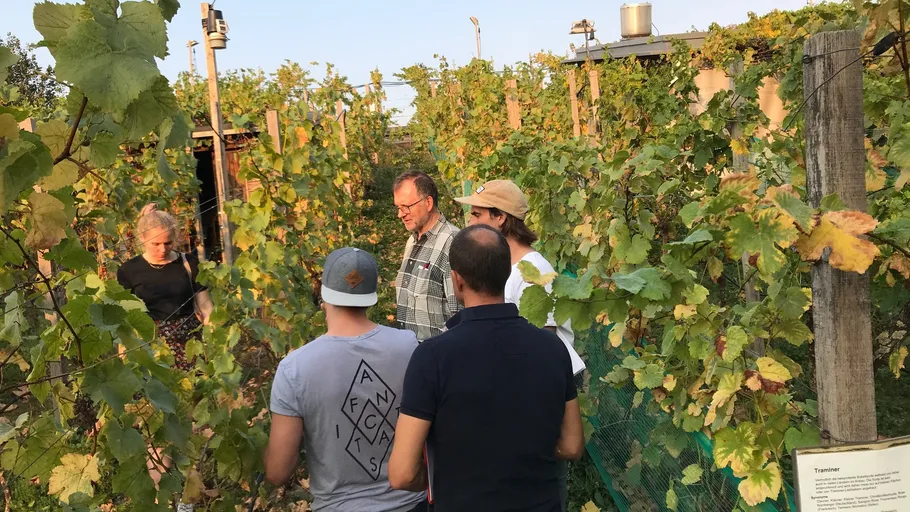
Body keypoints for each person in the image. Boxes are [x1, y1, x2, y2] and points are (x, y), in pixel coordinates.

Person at [388, 225, 585, 512]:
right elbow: (572, 446)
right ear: (506, 274)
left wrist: (442, 481)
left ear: (457, 280)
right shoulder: (552, 349)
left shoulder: (432, 357)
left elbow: (402, 473)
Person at [455, 179, 586, 511]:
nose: (470, 222)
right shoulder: (502, 268)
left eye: (476, 214)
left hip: (537, 407)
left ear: (500, 218)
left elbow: (541, 351)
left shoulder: (533, 272)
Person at [265, 247, 427, 512]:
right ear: (372, 297)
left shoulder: (295, 368)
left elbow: (278, 471)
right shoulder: (408, 346)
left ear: (323, 295)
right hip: (411, 504)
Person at [117, 203, 213, 370]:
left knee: (193, 392)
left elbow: (206, 307)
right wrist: (124, 353)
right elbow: (124, 319)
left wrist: (213, 342)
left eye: (168, 243)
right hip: (149, 347)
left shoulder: (189, 263)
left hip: (190, 344)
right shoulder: (129, 271)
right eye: (156, 244)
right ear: (142, 238)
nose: (163, 249)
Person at [393, 171, 461, 341]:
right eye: (398, 208)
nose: (400, 215)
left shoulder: (452, 243)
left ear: (428, 202)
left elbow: (459, 317)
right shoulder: (413, 240)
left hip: (437, 358)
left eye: (406, 207)